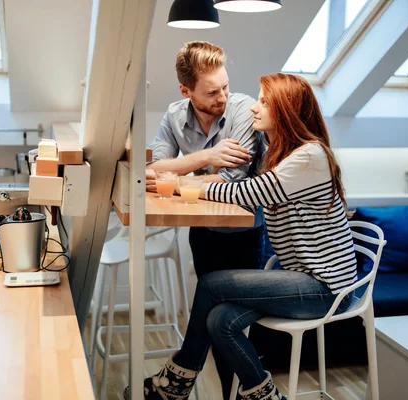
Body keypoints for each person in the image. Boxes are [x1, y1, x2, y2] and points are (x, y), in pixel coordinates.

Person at [125, 73, 357, 400]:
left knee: (209, 284)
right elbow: (237, 188)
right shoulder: (282, 154)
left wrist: (182, 184)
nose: (253, 108)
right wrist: (194, 180)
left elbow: (247, 193)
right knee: (220, 321)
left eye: (264, 102)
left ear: (286, 110)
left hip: (324, 287)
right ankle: (264, 394)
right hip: (298, 278)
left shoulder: (309, 157)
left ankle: (176, 382)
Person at [146, 41, 273, 398]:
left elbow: (232, 182)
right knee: (214, 319)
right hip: (202, 233)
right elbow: (153, 171)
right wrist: (208, 157)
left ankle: (175, 384)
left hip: (246, 234)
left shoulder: (243, 110)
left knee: (225, 323)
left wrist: (180, 177)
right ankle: (194, 387)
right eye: (212, 91)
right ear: (186, 91)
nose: (222, 97)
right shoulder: (174, 116)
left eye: (225, 87)